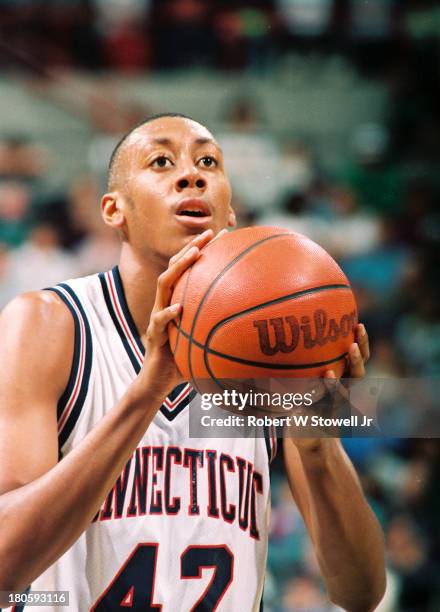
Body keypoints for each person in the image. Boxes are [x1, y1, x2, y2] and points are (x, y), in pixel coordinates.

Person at [0, 113, 386, 611]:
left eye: (208, 161)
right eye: (161, 161)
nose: (192, 174)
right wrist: (147, 391)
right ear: (114, 210)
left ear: (229, 212)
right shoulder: (51, 324)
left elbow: (361, 593)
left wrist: (318, 450)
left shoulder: (272, 357)